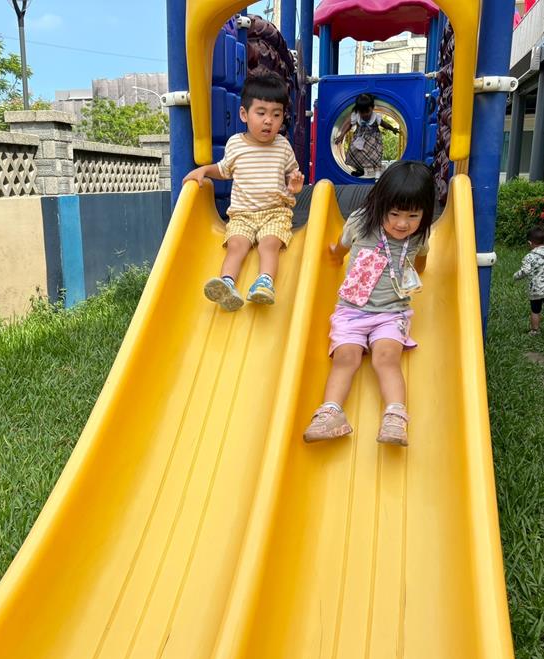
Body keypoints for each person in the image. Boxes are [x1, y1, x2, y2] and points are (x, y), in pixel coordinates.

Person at [302, 161, 435, 445]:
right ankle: (331, 413)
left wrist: (414, 271)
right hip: (352, 310)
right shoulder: (361, 222)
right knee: (345, 357)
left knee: (386, 358)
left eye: (413, 215)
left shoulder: (419, 235)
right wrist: (335, 254)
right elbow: (342, 246)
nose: (402, 223)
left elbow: (421, 262)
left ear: (424, 213)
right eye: (394, 213)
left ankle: (395, 416)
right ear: (380, 204)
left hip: (392, 313)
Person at [183, 74, 305, 311]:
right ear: (244, 114)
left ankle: (264, 282)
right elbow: (224, 170)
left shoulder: (282, 146)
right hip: (242, 214)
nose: (268, 121)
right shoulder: (235, 144)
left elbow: (292, 173)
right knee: (236, 245)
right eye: (261, 113)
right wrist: (204, 170)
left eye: (276, 114)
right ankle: (227, 284)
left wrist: (294, 185)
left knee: (269, 244)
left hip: (275, 213)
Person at [334, 93, 399, 177]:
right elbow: (349, 125)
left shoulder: (376, 117)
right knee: (355, 152)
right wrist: (342, 135)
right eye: (362, 112)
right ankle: (359, 170)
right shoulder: (356, 116)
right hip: (359, 139)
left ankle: (375, 171)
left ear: (372, 108)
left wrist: (392, 129)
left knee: (374, 155)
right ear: (358, 110)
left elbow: (384, 124)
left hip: (373, 140)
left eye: (367, 111)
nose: (365, 114)